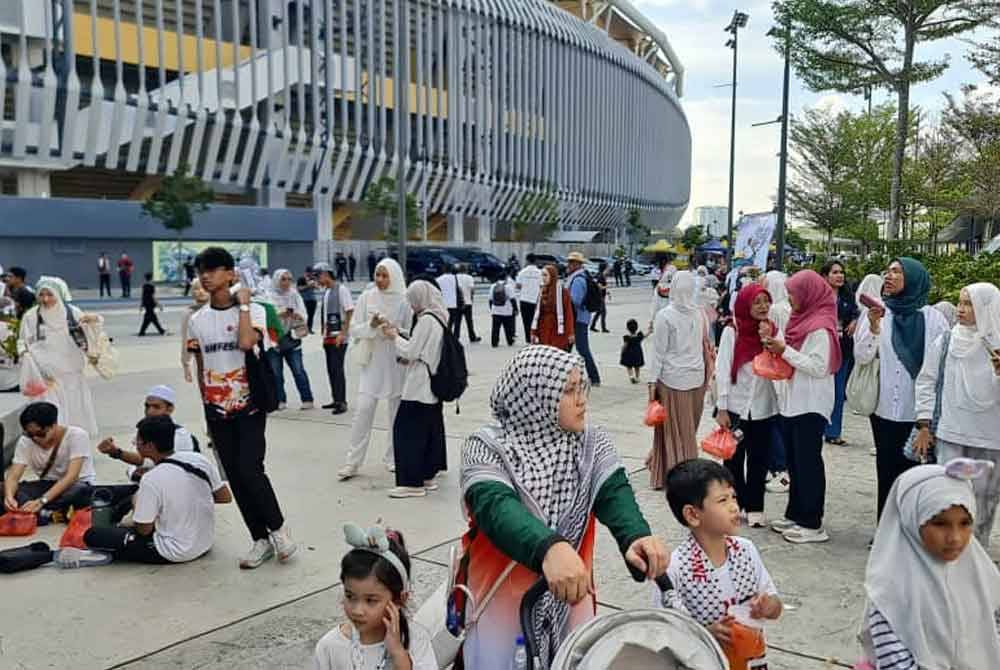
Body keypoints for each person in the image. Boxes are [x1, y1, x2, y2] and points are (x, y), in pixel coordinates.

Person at [459, 346, 669, 670]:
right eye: (569, 390)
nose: (582, 399)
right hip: (500, 603)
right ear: (535, 398)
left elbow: (614, 493)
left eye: (580, 387)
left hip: (572, 598)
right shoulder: (486, 446)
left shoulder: (591, 442)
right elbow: (495, 507)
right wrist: (549, 548)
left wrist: (635, 536)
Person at [186, 246, 296, 569]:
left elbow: (247, 343)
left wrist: (245, 304)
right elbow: (202, 367)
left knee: (251, 468)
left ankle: (278, 530)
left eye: (213, 269)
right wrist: (207, 411)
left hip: (249, 406)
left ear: (231, 274)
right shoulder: (197, 321)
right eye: (201, 271)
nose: (206, 276)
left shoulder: (255, 311)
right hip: (216, 410)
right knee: (233, 474)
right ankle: (258, 538)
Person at [858, 462, 1000, 670]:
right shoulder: (891, 595)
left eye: (965, 523)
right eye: (940, 524)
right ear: (911, 519)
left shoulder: (981, 574)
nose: (955, 538)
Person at [854, 258, 949, 522]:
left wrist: (927, 419)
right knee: (886, 470)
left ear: (914, 278)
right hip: (885, 408)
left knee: (915, 475)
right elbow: (861, 357)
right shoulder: (878, 312)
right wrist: (873, 328)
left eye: (897, 272)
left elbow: (938, 372)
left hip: (917, 412)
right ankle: (885, 530)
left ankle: (912, 531)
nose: (889, 276)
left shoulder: (933, 319)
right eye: (888, 271)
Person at [657, 460, 783, 657]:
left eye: (734, 497)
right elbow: (663, 634)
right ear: (692, 514)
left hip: (750, 659)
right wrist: (706, 634)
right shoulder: (676, 568)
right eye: (723, 500)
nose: (734, 507)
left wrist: (768, 606)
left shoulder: (745, 551)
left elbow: (775, 606)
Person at [915, 283, 1000, 547]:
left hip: (990, 437)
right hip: (951, 432)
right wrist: (924, 424)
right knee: (949, 496)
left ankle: (976, 554)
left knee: (984, 500)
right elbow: (927, 381)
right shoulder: (947, 341)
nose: (960, 309)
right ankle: (947, 550)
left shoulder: (997, 344)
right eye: (960, 302)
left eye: (968, 304)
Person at [84, 415, 231, 564]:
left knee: (93, 535)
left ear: (149, 446)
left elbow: (144, 530)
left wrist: (137, 506)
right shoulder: (199, 460)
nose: (135, 444)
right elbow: (225, 497)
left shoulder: (151, 478)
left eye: (138, 441)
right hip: (204, 541)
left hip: (173, 551)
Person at [763, 270, 838, 544]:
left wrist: (785, 351)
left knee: (808, 464)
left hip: (811, 403)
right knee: (795, 463)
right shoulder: (798, 319)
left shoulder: (820, 326)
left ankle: (812, 522)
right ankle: (795, 513)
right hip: (792, 401)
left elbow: (818, 367)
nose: (790, 298)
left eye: (794, 292)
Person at [313, 525, 437, 670]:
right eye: (350, 596)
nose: (357, 610)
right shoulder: (330, 647)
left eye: (370, 600)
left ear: (399, 599)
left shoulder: (416, 641)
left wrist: (398, 653)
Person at [339, 258, 411, 480]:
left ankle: (393, 458)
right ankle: (353, 461)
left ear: (394, 276)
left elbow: (410, 332)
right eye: (377, 274)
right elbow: (354, 330)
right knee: (364, 408)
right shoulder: (367, 297)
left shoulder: (404, 300)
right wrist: (370, 327)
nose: (379, 280)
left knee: (396, 413)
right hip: (372, 361)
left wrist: (395, 329)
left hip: (396, 361)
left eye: (384, 275)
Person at [716, 284, 779, 528]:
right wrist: (722, 407)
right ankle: (734, 505)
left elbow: (779, 365)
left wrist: (768, 340)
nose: (763, 307)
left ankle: (755, 506)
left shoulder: (772, 331)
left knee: (759, 459)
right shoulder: (733, 331)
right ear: (745, 305)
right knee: (732, 460)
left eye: (766, 301)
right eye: (757, 302)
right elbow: (723, 369)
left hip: (764, 406)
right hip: (736, 406)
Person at [381, 281, 448, 498]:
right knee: (427, 434)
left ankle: (411, 483)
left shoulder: (426, 320)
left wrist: (393, 337)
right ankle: (427, 477)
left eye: (412, 300)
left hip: (419, 385)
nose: (410, 305)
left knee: (405, 432)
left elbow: (410, 351)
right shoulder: (439, 316)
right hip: (431, 387)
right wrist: (400, 332)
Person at [647, 270, 707, 490]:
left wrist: (651, 383)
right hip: (697, 379)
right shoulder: (699, 313)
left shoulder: (665, 315)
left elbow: (659, 353)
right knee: (688, 431)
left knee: (673, 433)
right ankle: (675, 470)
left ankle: (677, 477)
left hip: (672, 380)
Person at [17, 276, 99, 437]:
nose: (45, 299)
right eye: (41, 295)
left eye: (50, 294)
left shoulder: (73, 313)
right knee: (49, 413)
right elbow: (23, 340)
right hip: (45, 377)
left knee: (74, 411)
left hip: (71, 374)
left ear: (59, 294)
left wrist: (94, 323)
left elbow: (90, 337)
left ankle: (73, 443)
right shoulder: (31, 316)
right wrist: (24, 353)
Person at [3, 401, 96, 516]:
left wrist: (42, 500)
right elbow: (13, 475)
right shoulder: (26, 441)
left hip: (75, 485)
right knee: (8, 488)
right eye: (30, 435)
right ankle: (48, 511)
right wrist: (9, 496)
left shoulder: (77, 436)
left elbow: (72, 476)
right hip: (46, 485)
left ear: (54, 425)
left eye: (40, 434)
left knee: (79, 492)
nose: (35, 438)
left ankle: (43, 511)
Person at [97, 384, 199, 483]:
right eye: (147, 406)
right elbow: (135, 466)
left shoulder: (180, 435)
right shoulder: (145, 429)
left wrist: (116, 452)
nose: (149, 411)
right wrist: (133, 472)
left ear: (170, 409)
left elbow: (153, 462)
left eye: (156, 407)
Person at [820, 261, 859, 446]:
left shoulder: (847, 296)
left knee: (837, 391)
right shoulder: (817, 296)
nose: (840, 276)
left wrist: (854, 321)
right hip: (821, 350)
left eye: (841, 272)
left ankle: (833, 431)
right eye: (835, 272)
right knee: (822, 391)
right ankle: (818, 427)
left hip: (842, 349)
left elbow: (855, 313)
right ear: (825, 275)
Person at [267, 269, 315, 410]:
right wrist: (280, 313)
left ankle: (307, 399)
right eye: (283, 279)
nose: (287, 282)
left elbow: (303, 313)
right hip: (275, 339)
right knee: (276, 373)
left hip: (292, 337)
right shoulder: (269, 295)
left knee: (298, 370)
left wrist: (298, 316)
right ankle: (280, 400)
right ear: (276, 280)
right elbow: (268, 315)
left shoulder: (294, 295)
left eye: (289, 279)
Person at [315, 261, 354, 415]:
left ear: (326, 274)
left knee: (337, 370)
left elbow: (350, 311)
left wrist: (343, 334)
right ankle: (336, 399)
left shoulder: (341, 290)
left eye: (319, 276)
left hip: (339, 338)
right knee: (331, 370)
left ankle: (342, 402)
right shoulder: (327, 292)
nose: (318, 280)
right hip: (328, 337)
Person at [566, 252, 601, 386]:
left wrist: (565, 299)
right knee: (566, 349)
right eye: (569, 261)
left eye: (572, 262)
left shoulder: (578, 279)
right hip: (579, 318)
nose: (569, 264)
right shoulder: (577, 277)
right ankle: (562, 375)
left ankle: (595, 377)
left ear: (578, 265)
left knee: (582, 349)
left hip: (577, 319)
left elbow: (575, 300)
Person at [530, 264, 575, 352]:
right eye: (542, 275)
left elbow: (568, 313)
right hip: (543, 330)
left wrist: (570, 333)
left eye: (546, 275)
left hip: (558, 330)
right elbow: (537, 314)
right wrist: (533, 332)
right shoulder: (542, 291)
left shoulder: (563, 292)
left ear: (552, 276)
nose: (543, 278)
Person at [181, 278, 210, 383]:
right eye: (196, 289)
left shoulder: (218, 309)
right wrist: (186, 364)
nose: (201, 291)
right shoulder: (189, 313)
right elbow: (187, 340)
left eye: (204, 288)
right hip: (201, 360)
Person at [515, 253, 542, 341]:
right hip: (536, 300)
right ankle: (536, 337)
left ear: (527, 260)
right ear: (536, 261)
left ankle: (528, 338)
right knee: (536, 320)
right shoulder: (540, 273)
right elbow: (542, 286)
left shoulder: (522, 272)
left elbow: (518, 286)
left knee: (526, 321)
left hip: (524, 300)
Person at [488, 271, 517, 348]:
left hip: (496, 311)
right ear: (505, 278)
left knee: (495, 328)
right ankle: (510, 340)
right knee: (508, 327)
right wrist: (515, 309)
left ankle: (494, 342)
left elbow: (490, 299)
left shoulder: (493, 286)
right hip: (507, 311)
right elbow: (512, 299)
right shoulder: (508, 286)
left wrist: (491, 309)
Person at [436, 266, 464, 340]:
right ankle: (455, 337)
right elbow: (460, 289)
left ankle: (446, 337)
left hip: (443, 304)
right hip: (454, 304)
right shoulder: (455, 278)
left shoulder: (438, 279)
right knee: (457, 323)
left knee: (446, 322)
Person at [456, 264, 481, 343]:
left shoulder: (455, 277)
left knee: (457, 321)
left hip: (457, 302)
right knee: (469, 321)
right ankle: (472, 336)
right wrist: (471, 298)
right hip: (467, 302)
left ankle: (456, 336)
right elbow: (472, 289)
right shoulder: (469, 277)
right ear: (466, 270)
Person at [138, 272, 167, 336]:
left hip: (146, 303)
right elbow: (153, 297)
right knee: (151, 318)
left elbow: (143, 296)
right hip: (151, 303)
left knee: (150, 318)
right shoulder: (152, 286)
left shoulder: (144, 286)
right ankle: (142, 332)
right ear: (151, 278)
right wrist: (159, 305)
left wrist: (141, 305)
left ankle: (160, 330)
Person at [620, 318, 645, 384]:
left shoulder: (627, 337)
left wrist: (622, 350)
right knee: (637, 367)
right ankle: (637, 377)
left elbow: (625, 345)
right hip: (637, 353)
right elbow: (644, 336)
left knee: (629, 366)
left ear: (627, 328)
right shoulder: (639, 336)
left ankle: (631, 376)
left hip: (629, 354)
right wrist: (650, 331)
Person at [589, 263, 610, 333]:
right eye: (607, 268)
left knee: (599, 312)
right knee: (603, 312)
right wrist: (606, 287)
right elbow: (599, 286)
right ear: (604, 268)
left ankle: (592, 326)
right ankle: (603, 328)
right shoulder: (601, 276)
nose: (608, 269)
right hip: (600, 297)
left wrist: (607, 292)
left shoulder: (602, 276)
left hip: (601, 296)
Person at [299, 268, 319, 333]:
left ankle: (309, 329)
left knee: (311, 316)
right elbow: (299, 288)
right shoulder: (301, 279)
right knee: (304, 315)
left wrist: (314, 284)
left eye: (311, 273)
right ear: (306, 272)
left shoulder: (313, 279)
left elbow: (317, 287)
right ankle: (303, 329)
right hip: (304, 300)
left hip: (312, 300)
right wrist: (308, 285)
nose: (310, 274)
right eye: (309, 273)